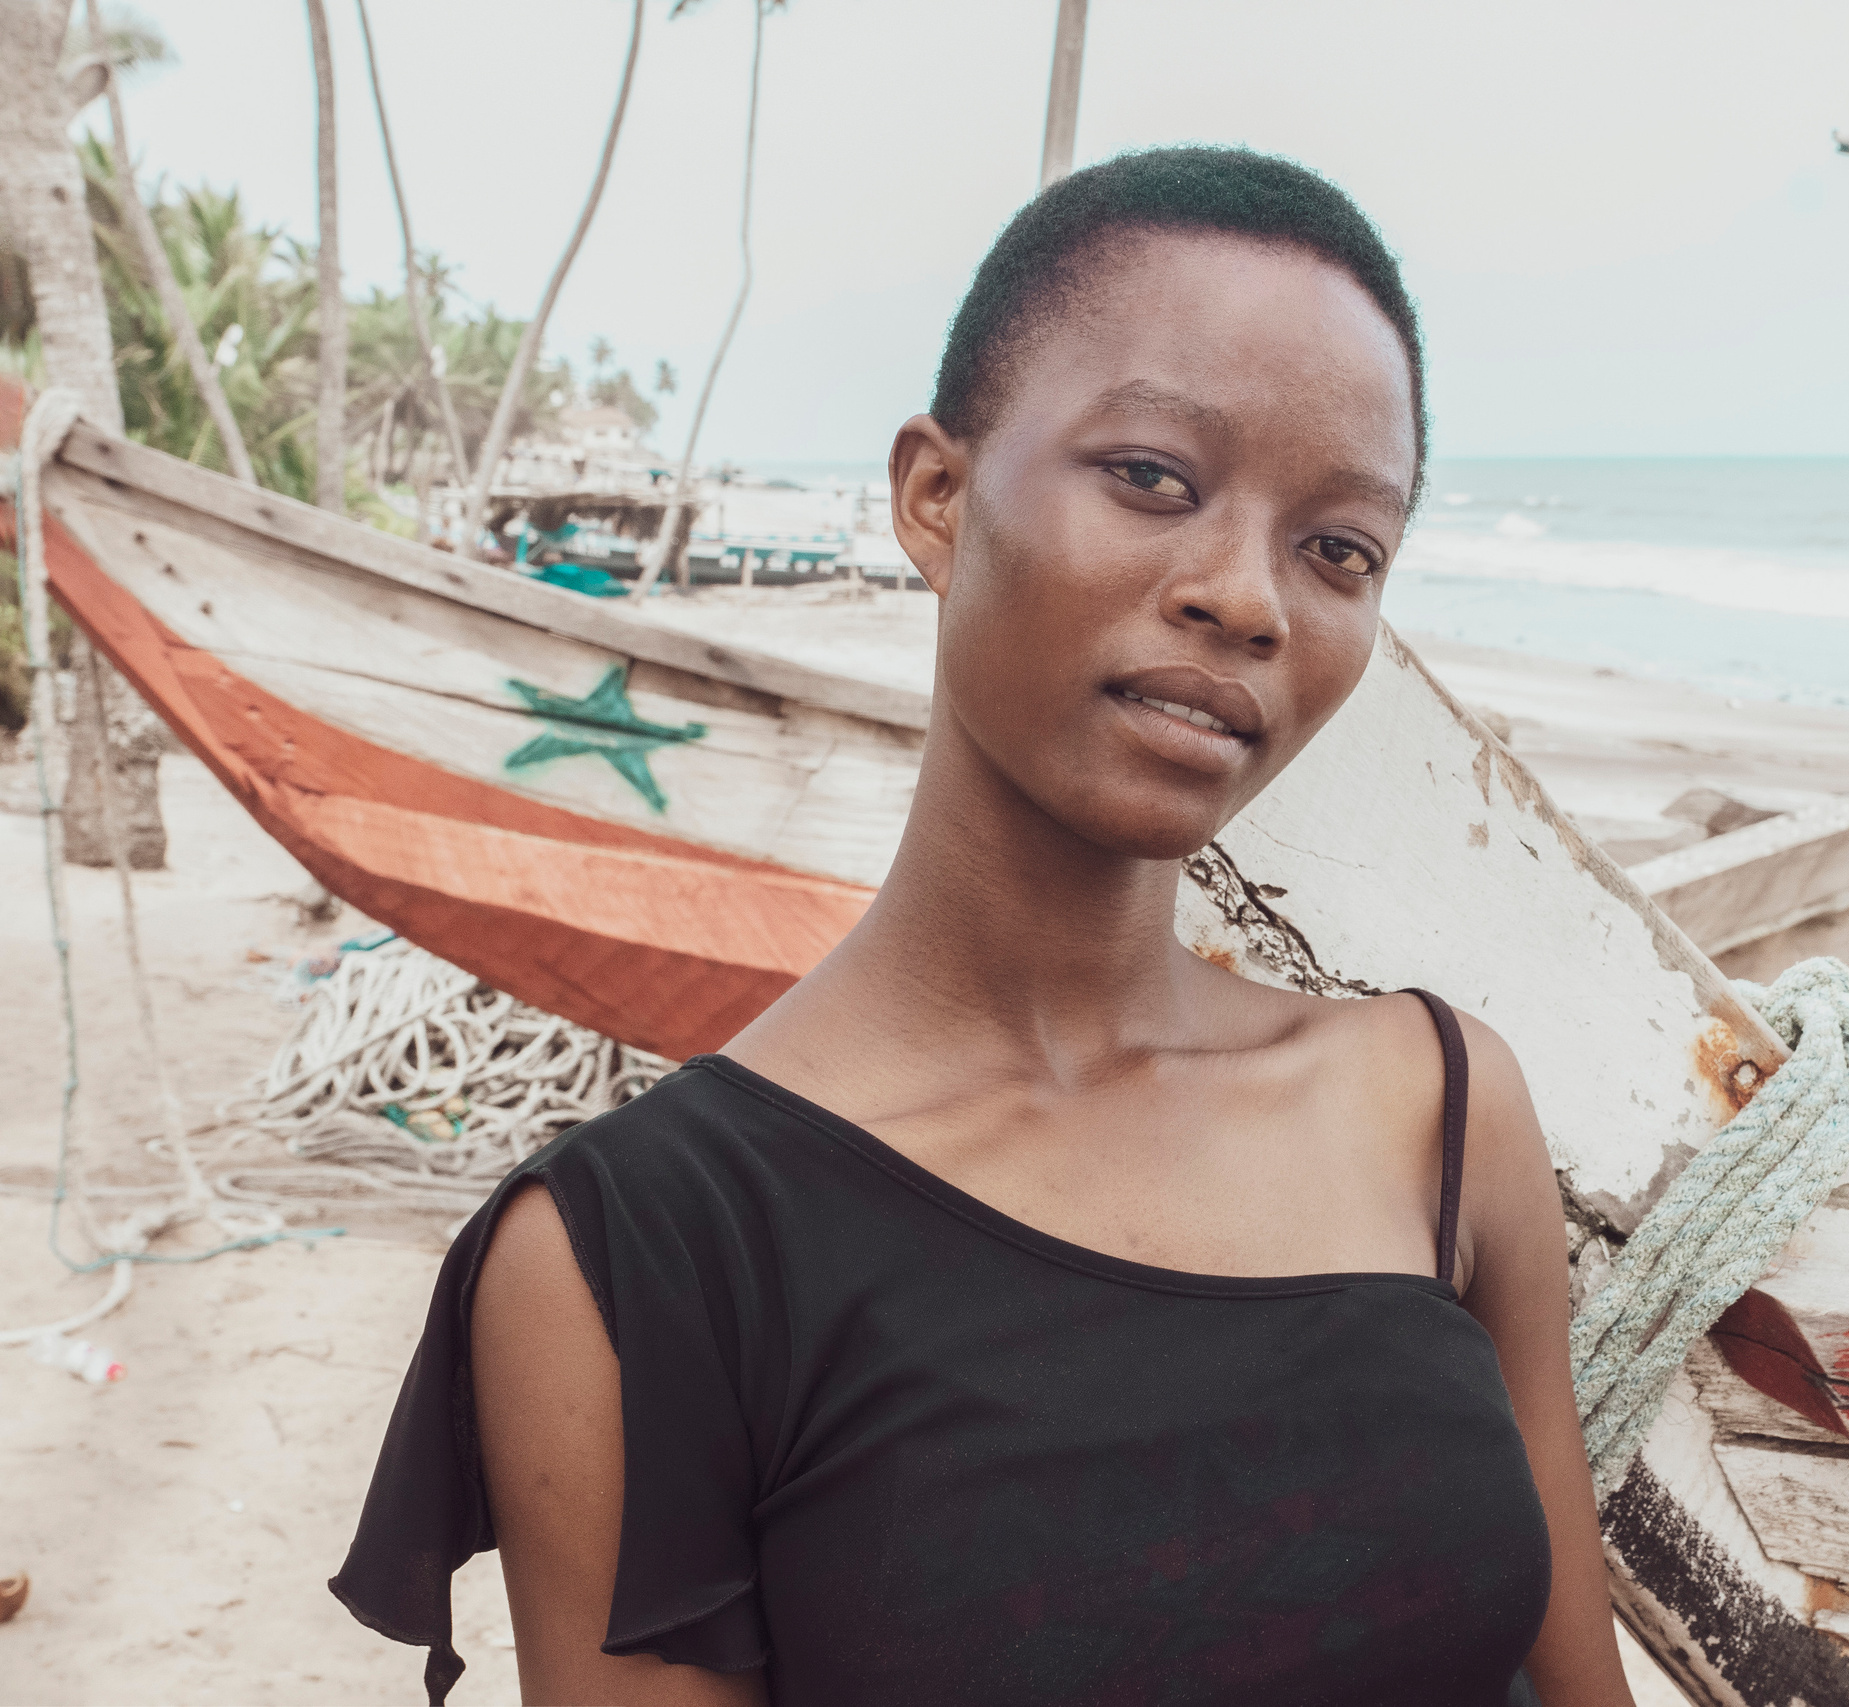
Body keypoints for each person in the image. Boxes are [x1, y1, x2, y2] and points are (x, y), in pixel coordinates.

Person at [333, 146, 1638, 1707]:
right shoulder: (641, 1263)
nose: (1249, 599)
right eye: (1155, 476)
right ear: (935, 497)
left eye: (1338, 547)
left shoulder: (1437, 1111)